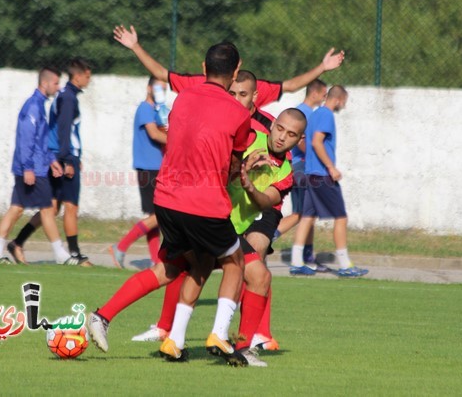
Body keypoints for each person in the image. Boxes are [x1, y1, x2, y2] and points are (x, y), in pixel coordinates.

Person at [88, 40, 251, 366]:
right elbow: (233, 166)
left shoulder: (184, 97)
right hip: (204, 203)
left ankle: (161, 336)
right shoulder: (239, 113)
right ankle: (219, 333)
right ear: (235, 73)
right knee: (235, 263)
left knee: (187, 266)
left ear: (204, 69)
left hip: (166, 200)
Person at [132, 108, 307, 367]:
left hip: (213, 218)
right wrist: (242, 167)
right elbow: (214, 170)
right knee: (188, 269)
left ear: (299, 139)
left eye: (291, 134)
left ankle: (175, 339)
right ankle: (220, 338)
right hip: (210, 216)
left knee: (202, 269)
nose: (282, 137)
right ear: (272, 125)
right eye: (280, 128)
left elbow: (264, 202)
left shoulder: (285, 172)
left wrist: (247, 182)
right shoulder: (247, 138)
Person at [112, 24, 344, 115]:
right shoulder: (249, 87)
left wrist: (135, 46)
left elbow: (162, 73)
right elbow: (292, 86)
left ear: (206, 66)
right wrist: (322, 67)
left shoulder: (196, 84)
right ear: (237, 67)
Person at [5, 58, 93, 266]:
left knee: (51, 208)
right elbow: (64, 132)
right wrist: (69, 160)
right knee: (71, 207)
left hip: (59, 156)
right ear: (78, 75)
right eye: (88, 76)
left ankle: (17, 243)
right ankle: (75, 255)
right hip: (62, 158)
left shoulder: (64, 96)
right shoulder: (69, 98)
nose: (89, 81)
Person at [0, 67, 75, 265]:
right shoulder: (33, 107)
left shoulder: (39, 105)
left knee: (17, 209)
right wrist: (28, 168)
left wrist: (52, 160)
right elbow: (26, 140)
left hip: (36, 166)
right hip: (32, 169)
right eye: (55, 83)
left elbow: (40, 141)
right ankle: (61, 255)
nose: (58, 87)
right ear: (45, 83)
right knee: (47, 209)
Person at [290, 85, 369, 277]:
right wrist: (331, 167)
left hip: (310, 174)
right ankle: (345, 265)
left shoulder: (315, 114)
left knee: (307, 216)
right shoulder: (326, 115)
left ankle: (296, 261)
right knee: (341, 217)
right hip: (322, 175)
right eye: (345, 101)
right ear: (339, 99)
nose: (344, 105)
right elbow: (317, 142)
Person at [109, 77, 168, 268]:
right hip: (148, 168)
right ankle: (121, 246)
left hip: (156, 167)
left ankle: (154, 260)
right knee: (159, 216)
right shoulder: (145, 109)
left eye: (164, 89)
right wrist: (177, 141)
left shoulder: (157, 111)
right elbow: (155, 134)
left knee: (154, 215)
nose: (162, 91)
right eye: (159, 87)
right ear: (149, 87)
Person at [274, 79, 330, 270]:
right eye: (324, 94)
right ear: (314, 93)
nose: (324, 98)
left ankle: (308, 257)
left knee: (308, 213)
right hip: (301, 168)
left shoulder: (307, 112)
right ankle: (267, 237)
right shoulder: (304, 114)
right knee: (301, 213)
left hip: (302, 169)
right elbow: (299, 142)